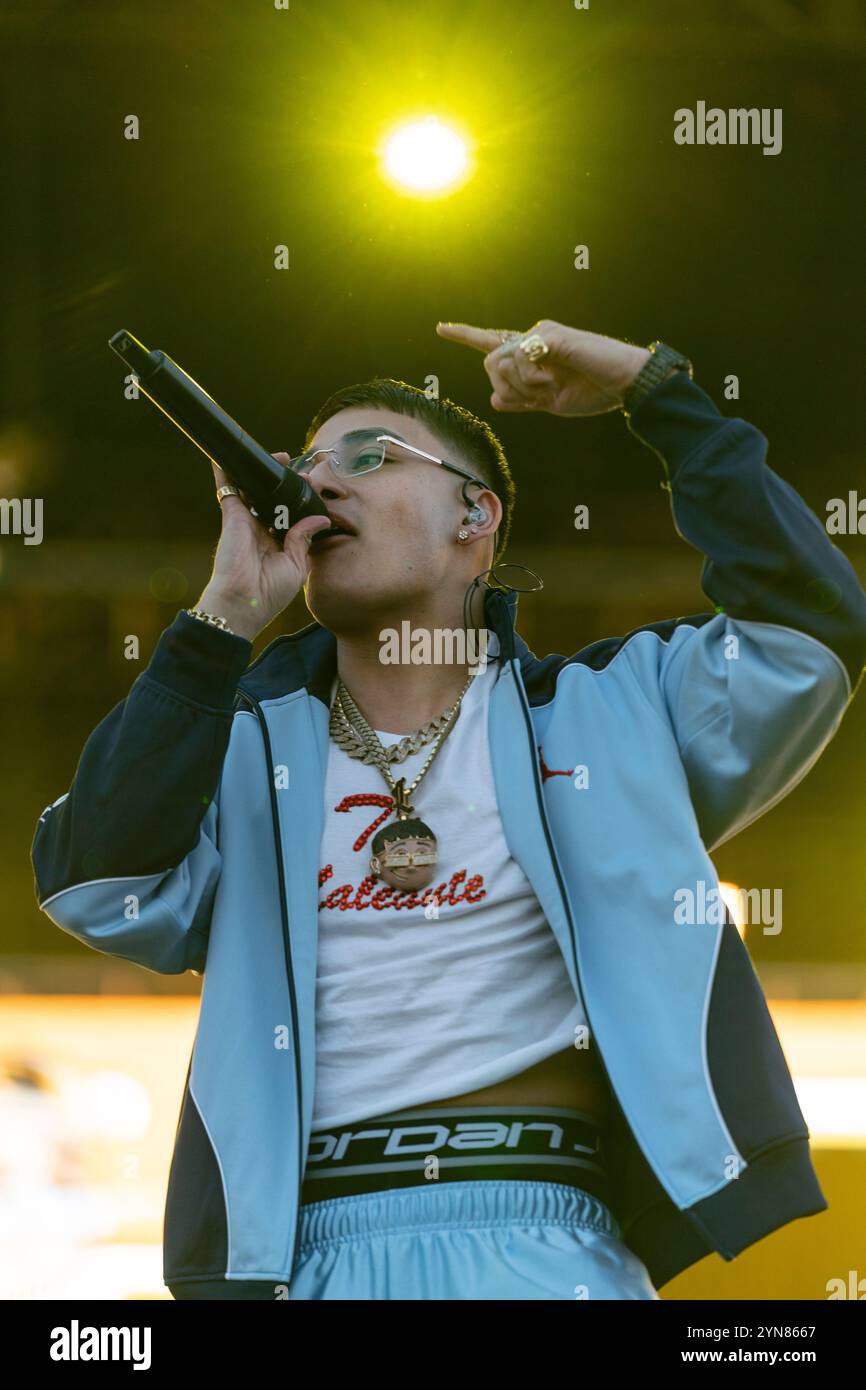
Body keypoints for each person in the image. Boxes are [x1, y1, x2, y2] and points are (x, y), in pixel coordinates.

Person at [31, 320, 866, 1301]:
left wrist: (659, 392)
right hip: (308, 1258)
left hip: (547, 1245)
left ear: (477, 518)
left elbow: (806, 633)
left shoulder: (608, 711)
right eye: (304, 468)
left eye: (369, 457)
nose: (320, 484)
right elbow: (96, 884)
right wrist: (218, 622)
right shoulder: (242, 746)